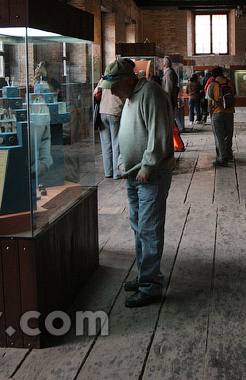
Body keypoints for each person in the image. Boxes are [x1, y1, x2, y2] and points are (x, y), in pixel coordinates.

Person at [100, 59, 175, 307]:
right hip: (134, 173)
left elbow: (159, 132)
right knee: (139, 227)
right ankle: (146, 276)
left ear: (129, 79)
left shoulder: (150, 92)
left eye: (114, 85)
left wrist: (148, 165)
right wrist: (121, 160)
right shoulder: (131, 96)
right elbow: (124, 130)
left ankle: (150, 286)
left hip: (149, 175)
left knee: (149, 229)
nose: (111, 91)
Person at [93, 81, 124, 179]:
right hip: (115, 111)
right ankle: (116, 172)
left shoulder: (104, 79)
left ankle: (108, 172)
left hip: (103, 112)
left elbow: (95, 93)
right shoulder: (120, 79)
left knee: (106, 144)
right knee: (116, 143)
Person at [206, 66, 236, 166]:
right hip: (229, 112)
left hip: (217, 112)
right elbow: (233, 96)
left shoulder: (212, 85)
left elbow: (209, 103)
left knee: (219, 136)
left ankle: (222, 158)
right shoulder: (230, 83)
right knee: (228, 134)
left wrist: (211, 115)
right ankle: (228, 154)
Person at [162, 57, 182, 130]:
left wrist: (167, 100)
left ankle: (178, 129)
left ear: (164, 64)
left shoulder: (169, 73)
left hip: (170, 99)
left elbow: (169, 88)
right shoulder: (171, 72)